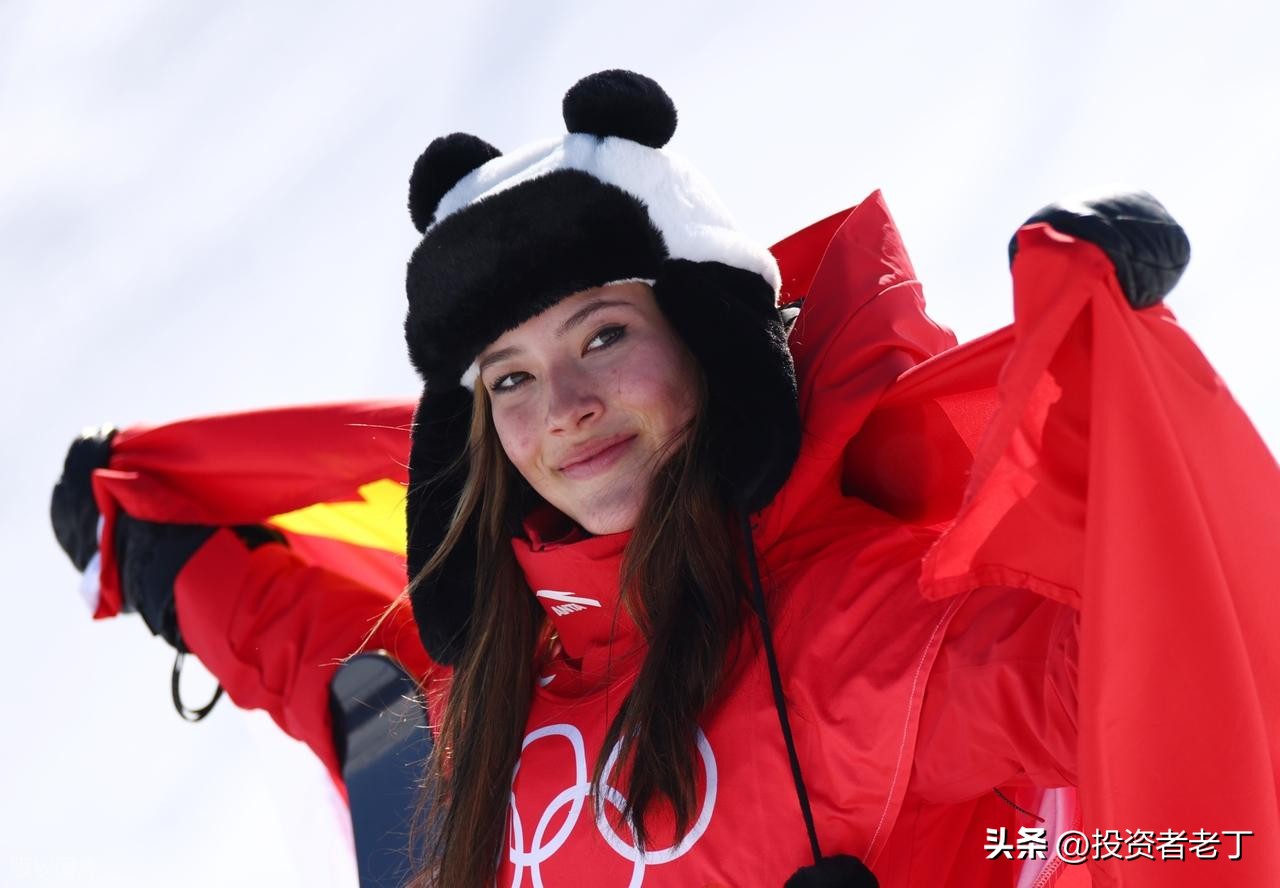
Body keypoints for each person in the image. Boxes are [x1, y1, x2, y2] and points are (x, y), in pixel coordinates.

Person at [52, 70, 1280, 887]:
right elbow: (315, 664)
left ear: (709, 339)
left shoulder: (860, 639)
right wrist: (153, 554)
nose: (563, 408)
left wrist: (1127, 373)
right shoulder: (487, 691)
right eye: (508, 377)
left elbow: (1198, 700)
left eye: (602, 335)